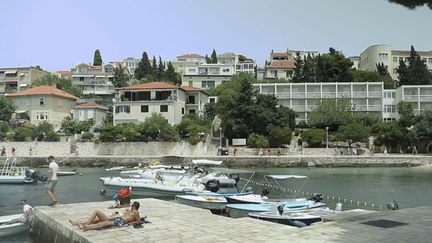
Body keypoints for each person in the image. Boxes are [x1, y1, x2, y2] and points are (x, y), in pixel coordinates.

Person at [69, 201, 141, 231]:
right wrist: (127, 211)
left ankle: (85, 226)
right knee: (100, 223)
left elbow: (139, 221)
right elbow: (126, 214)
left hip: (120, 221)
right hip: (118, 219)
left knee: (101, 225)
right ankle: (84, 226)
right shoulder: (131, 212)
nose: (131, 206)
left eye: (132, 205)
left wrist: (130, 223)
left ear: (134, 206)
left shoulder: (135, 212)